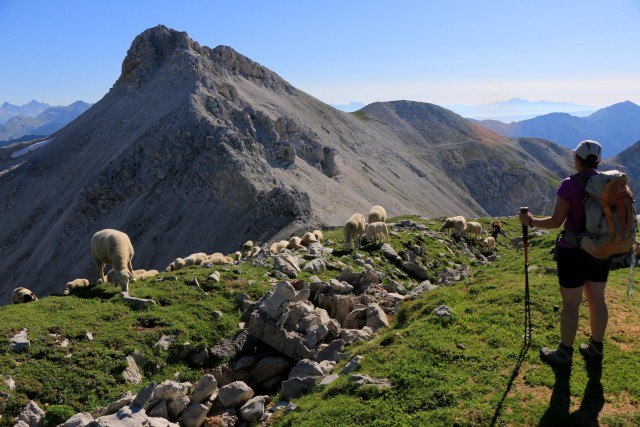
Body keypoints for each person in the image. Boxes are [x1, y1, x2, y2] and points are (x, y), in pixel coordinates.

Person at [518, 139, 610, 368]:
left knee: (571, 304)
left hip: (574, 252)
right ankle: (596, 347)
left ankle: (565, 353)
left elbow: (556, 221)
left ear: (576, 159)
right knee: (597, 299)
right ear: (598, 161)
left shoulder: (569, 185)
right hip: (601, 249)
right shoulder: (608, 183)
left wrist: (530, 222)